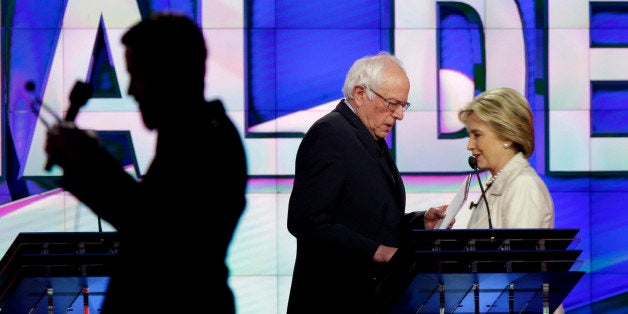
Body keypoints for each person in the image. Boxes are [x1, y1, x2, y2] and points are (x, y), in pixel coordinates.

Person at [45, 12, 247, 313]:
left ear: (171, 73)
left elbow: (158, 236)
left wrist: (91, 165)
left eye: (138, 74)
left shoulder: (206, 142)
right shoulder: (201, 136)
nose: (131, 90)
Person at [286, 51, 448, 314]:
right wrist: (377, 251)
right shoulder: (330, 134)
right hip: (332, 301)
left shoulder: (367, 136)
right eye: (393, 103)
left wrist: (420, 222)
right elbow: (306, 221)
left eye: (403, 106)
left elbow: (368, 220)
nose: (399, 115)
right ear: (361, 94)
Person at [458, 86, 564, 313]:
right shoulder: (501, 182)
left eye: (477, 135)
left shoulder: (522, 185)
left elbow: (519, 273)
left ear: (507, 135)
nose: (469, 145)